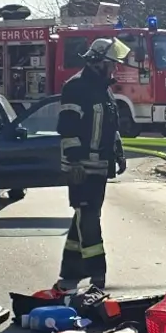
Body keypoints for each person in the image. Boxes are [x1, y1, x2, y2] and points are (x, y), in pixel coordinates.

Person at [53, 37, 131, 294]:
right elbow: (67, 126)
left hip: (99, 165)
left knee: (84, 214)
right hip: (81, 166)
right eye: (111, 64)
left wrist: (118, 153)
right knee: (88, 217)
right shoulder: (76, 87)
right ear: (97, 62)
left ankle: (71, 269)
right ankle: (98, 272)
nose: (115, 69)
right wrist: (74, 160)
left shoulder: (103, 88)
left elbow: (111, 125)